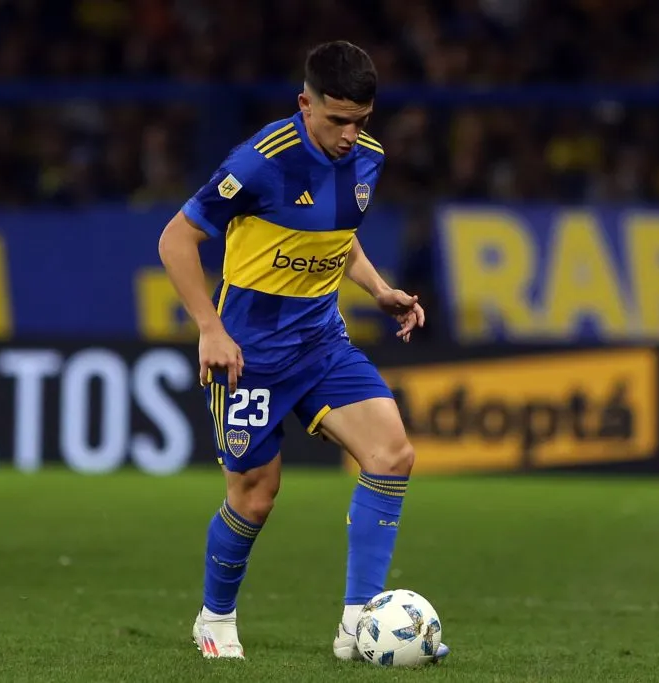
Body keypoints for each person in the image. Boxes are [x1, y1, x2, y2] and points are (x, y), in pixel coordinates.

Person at [157, 40, 449, 663]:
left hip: (321, 342)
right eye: (337, 119)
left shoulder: (369, 160)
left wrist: (380, 290)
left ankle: (358, 625)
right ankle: (215, 618)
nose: (349, 134)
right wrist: (210, 329)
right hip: (248, 353)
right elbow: (177, 239)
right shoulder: (261, 163)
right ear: (305, 104)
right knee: (256, 495)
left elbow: (338, 239)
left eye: (360, 121)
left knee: (392, 453)